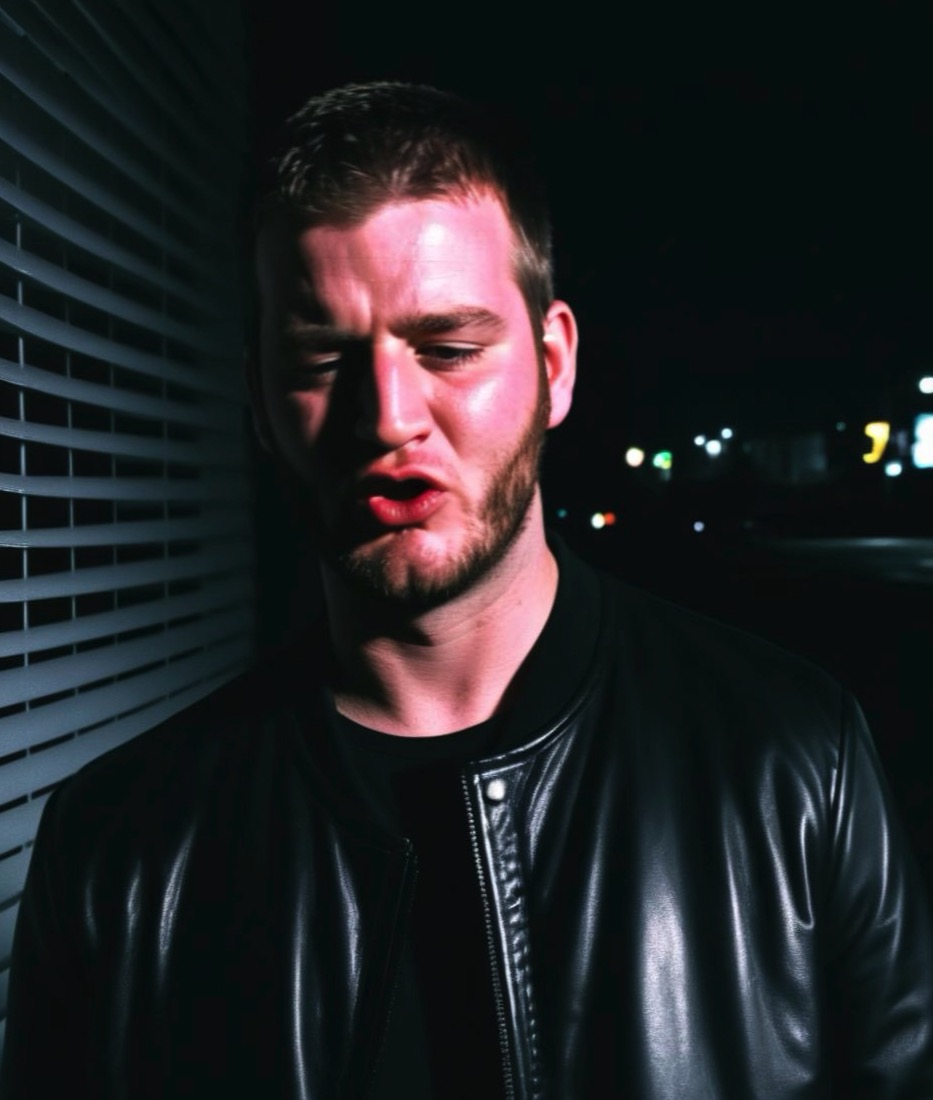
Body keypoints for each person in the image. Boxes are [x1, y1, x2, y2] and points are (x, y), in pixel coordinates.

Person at [2, 81, 932, 1100]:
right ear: (259, 402)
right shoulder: (120, 846)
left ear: (553, 365)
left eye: (448, 349)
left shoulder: (795, 759)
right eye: (322, 358)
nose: (389, 416)